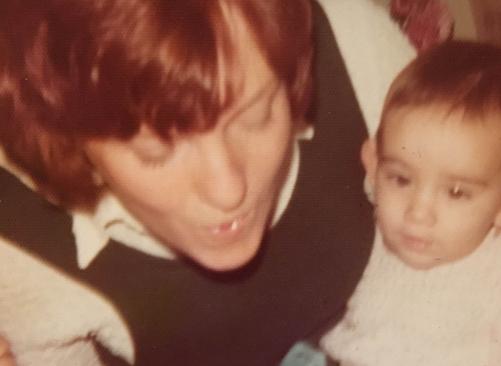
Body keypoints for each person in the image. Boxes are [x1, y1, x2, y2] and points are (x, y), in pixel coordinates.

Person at [0, 0, 413, 365]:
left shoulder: (355, 44)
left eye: (256, 115)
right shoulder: (23, 252)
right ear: (73, 144)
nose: (228, 190)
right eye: (156, 152)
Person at [320, 41, 501, 366]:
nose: (418, 213)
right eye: (401, 179)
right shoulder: (364, 240)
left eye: (456, 192)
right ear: (374, 166)